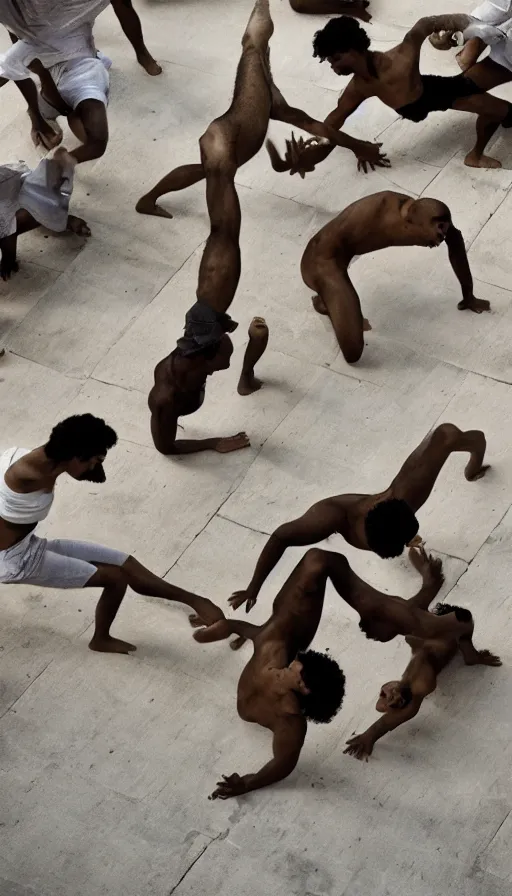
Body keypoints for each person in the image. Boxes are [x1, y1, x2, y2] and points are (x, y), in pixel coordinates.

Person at [194, 546, 472, 798]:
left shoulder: (290, 725)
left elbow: (282, 766)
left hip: (297, 633)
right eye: (293, 663)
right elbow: (252, 632)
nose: (285, 665)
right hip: (289, 631)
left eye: (292, 667)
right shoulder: (272, 651)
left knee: (323, 564)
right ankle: (426, 591)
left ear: (302, 688)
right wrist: (227, 626)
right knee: (318, 562)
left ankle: (425, 595)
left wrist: (247, 783)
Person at [135, 0, 389, 219]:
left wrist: (358, 146)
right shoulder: (258, 80)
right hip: (222, 142)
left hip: (230, 145)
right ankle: (148, 200)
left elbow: (315, 126)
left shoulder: (274, 99)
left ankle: (148, 200)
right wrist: (263, 3)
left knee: (203, 172)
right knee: (223, 228)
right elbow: (253, 41)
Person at [0, 414, 224, 653]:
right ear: (76, 456)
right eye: (94, 460)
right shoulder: (23, 475)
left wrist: (92, 458)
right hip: (16, 561)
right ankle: (100, 639)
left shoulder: (48, 457)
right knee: (116, 578)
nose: (96, 467)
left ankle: (197, 601)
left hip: (27, 544)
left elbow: (91, 471)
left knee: (125, 563)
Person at [229, 423, 488, 612]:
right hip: (343, 516)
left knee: (444, 439)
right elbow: (280, 536)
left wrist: (473, 465)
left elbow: (447, 434)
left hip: (395, 507)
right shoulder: (330, 518)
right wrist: (255, 586)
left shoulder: (406, 495)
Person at [266, 14, 512, 175]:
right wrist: (312, 157)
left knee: (502, 111)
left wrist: (462, 25)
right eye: (330, 61)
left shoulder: (400, 58)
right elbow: (332, 125)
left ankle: (475, 155)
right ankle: (476, 154)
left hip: (444, 94)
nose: (333, 66)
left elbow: (424, 24)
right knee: (495, 108)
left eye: (336, 58)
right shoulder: (358, 88)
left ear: (354, 50)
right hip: (428, 100)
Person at [300, 191, 488, 364]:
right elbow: (325, 244)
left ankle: (333, 300)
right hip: (321, 263)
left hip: (340, 256)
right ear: (412, 222)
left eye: (444, 231)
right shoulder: (378, 211)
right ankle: (326, 299)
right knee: (353, 352)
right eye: (439, 230)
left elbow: (456, 245)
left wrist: (469, 296)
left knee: (351, 331)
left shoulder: (425, 218)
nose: (441, 238)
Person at [344, 574, 501, 760]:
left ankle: (468, 651)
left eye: (383, 694)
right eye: (392, 702)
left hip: (437, 636)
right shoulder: (418, 687)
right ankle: (469, 653)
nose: (390, 695)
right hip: (446, 638)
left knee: (413, 628)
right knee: (425, 628)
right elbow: (391, 720)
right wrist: (369, 736)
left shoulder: (412, 656)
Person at [148, 313, 269, 455]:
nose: (229, 365)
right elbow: (165, 448)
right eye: (217, 367)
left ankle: (247, 378)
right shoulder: (165, 399)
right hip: (180, 401)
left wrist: (256, 338)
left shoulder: (199, 339)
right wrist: (211, 443)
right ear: (203, 362)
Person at [1, 148, 90, 283]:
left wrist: (8, 260)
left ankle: (60, 218)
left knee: (27, 214)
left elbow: (7, 234)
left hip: (27, 193)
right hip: (14, 192)